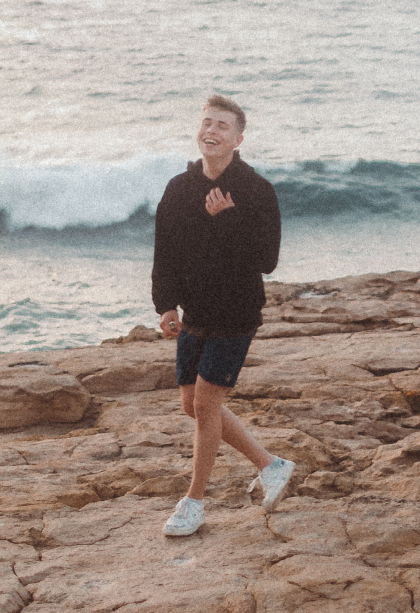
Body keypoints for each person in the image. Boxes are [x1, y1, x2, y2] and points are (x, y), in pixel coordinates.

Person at [152, 95, 295, 537]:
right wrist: (165, 303)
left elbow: (266, 260)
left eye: (222, 126)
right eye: (206, 123)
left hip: (236, 311)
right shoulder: (179, 188)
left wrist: (229, 219)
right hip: (195, 310)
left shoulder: (255, 190)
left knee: (208, 403)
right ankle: (271, 466)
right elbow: (166, 250)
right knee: (192, 405)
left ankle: (193, 502)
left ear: (238, 139)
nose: (210, 131)